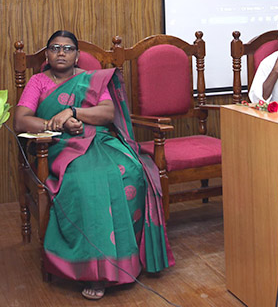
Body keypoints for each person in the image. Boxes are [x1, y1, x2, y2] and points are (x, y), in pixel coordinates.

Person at [13, 30, 172, 300]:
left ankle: (126, 259)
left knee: (131, 172)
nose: (61, 53)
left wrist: (73, 113)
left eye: (67, 48)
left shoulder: (92, 80)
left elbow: (107, 113)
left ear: (77, 56)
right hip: (58, 145)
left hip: (99, 140)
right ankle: (96, 271)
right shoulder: (38, 82)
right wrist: (58, 124)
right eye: (54, 48)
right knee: (89, 181)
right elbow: (21, 120)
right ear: (47, 54)